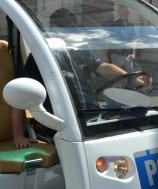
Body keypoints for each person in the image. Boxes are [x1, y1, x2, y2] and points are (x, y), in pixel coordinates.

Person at [12, 8, 150, 148]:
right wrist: (18, 135)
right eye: (64, 29)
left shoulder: (78, 51)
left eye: (70, 29)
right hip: (61, 124)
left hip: (90, 116)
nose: (68, 34)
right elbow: (18, 93)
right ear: (52, 28)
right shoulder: (41, 57)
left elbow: (104, 68)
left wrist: (133, 79)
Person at [108, 4, 136, 73]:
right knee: (117, 75)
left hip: (128, 56)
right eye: (125, 12)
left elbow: (133, 40)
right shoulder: (114, 25)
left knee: (130, 75)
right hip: (117, 55)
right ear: (120, 13)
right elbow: (108, 41)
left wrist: (133, 53)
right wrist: (106, 56)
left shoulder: (131, 25)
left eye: (128, 12)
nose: (127, 14)